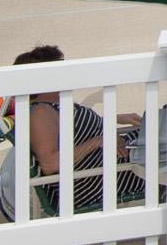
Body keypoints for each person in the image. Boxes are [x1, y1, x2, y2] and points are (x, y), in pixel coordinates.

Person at [14, 45, 145, 211]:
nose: (65, 71)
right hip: (101, 181)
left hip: (113, 164)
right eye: (59, 67)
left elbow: (75, 132)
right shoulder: (41, 112)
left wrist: (114, 119)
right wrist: (97, 141)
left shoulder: (53, 105)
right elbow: (50, 163)